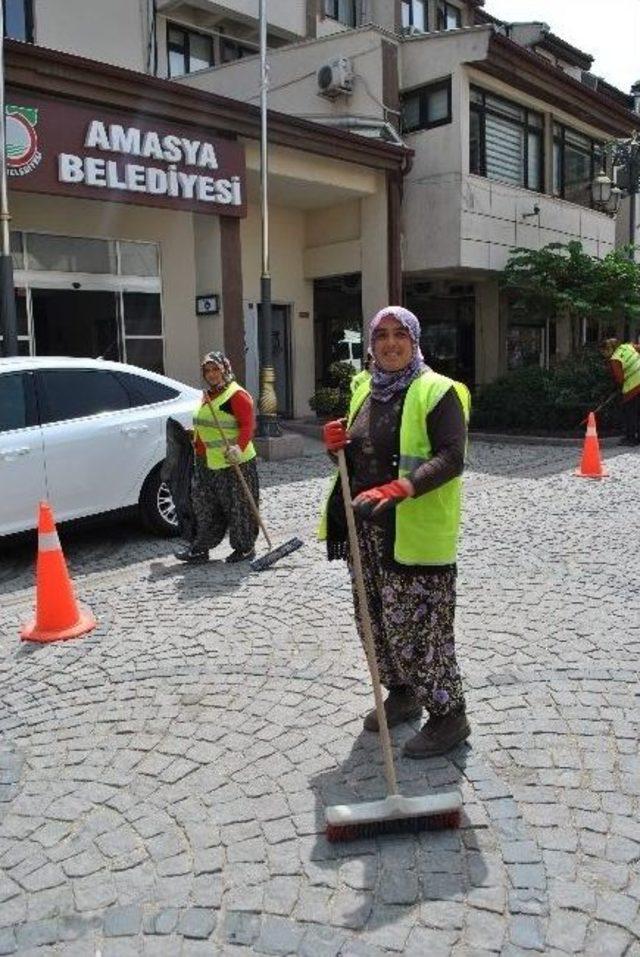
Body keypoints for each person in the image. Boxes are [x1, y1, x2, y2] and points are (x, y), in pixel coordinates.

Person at [318, 306, 471, 759]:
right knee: (376, 622)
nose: (389, 343)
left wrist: (404, 486)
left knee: (422, 631)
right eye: (381, 334)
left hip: (414, 533)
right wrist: (336, 449)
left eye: (399, 334)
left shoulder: (437, 391)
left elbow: (452, 456)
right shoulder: (365, 387)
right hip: (366, 529)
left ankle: (449, 716)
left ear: (415, 339)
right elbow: (357, 457)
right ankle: (402, 693)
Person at [175, 351, 259, 564]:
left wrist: (238, 448)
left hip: (234, 461)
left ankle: (244, 547)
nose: (211, 374)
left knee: (238, 505)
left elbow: (248, 425)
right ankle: (201, 548)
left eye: (215, 369)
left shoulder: (236, 395)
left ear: (225, 369)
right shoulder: (207, 394)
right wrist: (194, 434)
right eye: (207, 370)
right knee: (205, 506)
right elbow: (209, 423)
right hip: (206, 461)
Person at [601, 337, 640, 446]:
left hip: (634, 387)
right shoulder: (628, 346)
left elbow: (619, 379)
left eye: (603, 352)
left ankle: (631, 439)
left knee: (630, 414)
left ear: (608, 350)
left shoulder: (615, 359)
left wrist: (617, 388)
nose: (603, 355)